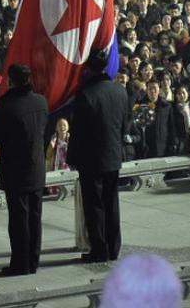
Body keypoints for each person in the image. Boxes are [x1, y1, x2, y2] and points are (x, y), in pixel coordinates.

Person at [0, 64, 48, 276]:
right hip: (36, 167)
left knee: (18, 219)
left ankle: (20, 263)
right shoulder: (41, 102)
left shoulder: (7, 106)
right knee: (34, 217)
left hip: (16, 170)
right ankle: (33, 261)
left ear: (11, 81)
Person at [67, 50, 131, 263]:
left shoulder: (86, 95)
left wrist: (72, 158)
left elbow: (78, 133)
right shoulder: (120, 91)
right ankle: (113, 247)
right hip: (113, 156)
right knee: (112, 203)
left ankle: (99, 249)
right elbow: (125, 126)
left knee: (94, 206)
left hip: (91, 159)